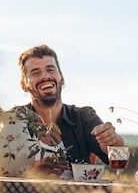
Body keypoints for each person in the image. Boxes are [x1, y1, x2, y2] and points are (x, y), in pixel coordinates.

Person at [17, 44, 124, 175]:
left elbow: (122, 163)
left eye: (50, 70)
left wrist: (115, 143)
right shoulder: (14, 120)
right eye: (35, 73)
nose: (45, 76)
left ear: (61, 78)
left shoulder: (84, 118)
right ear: (24, 84)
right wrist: (30, 173)